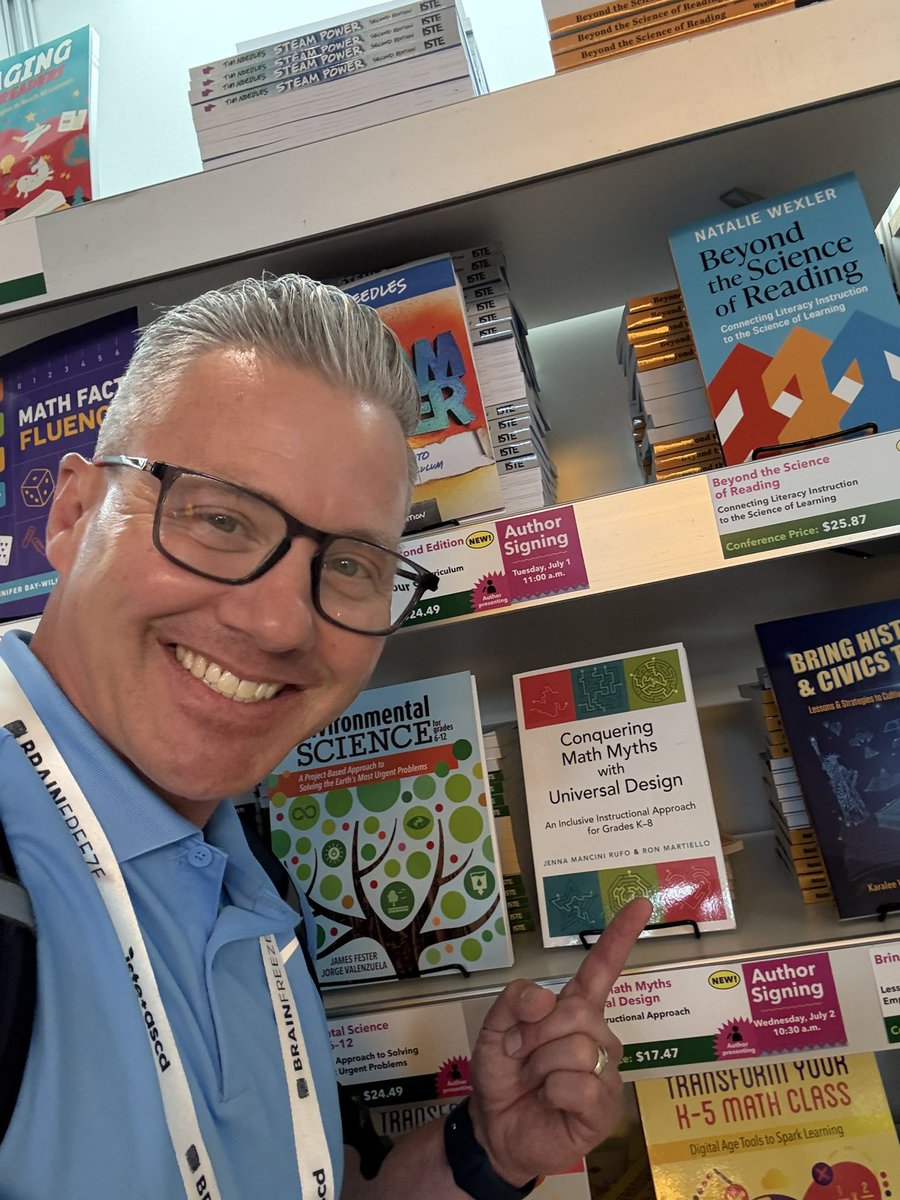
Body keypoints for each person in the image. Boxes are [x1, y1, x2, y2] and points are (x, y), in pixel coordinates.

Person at [0, 274, 650, 1199]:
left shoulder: (249, 872)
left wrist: (486, 1152)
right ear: (71, 515)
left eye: (349, 565)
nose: (278, 624)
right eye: (221, 518)